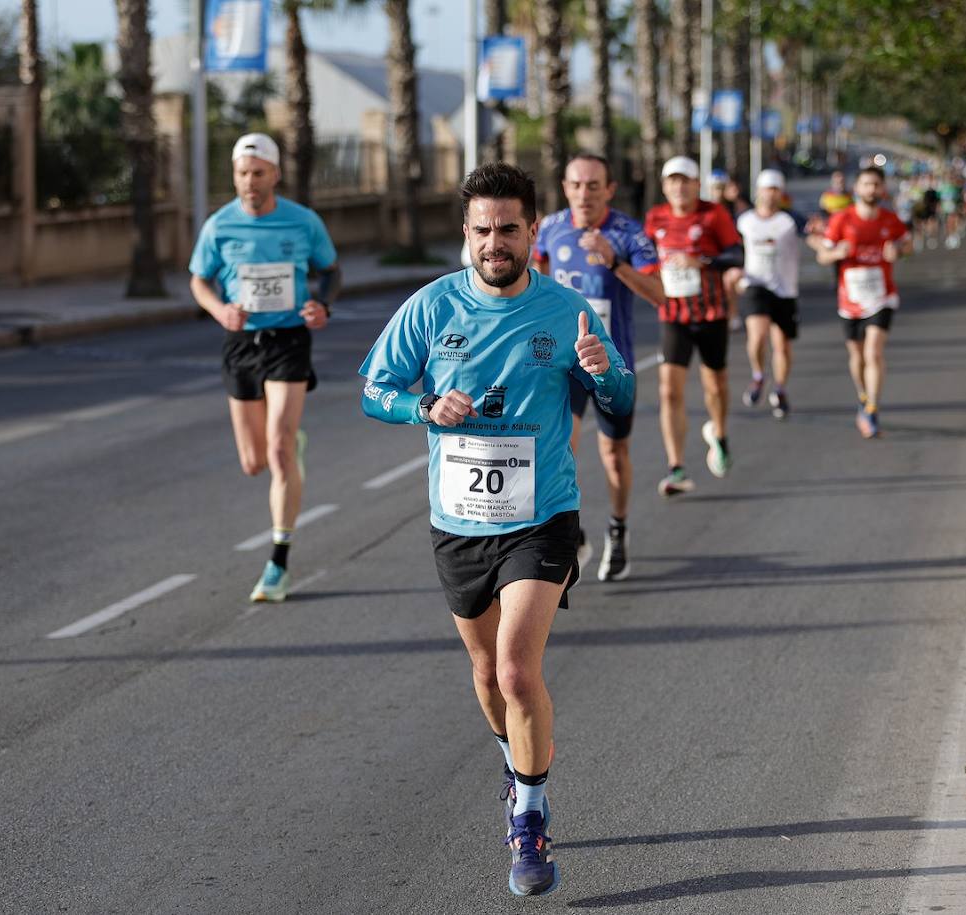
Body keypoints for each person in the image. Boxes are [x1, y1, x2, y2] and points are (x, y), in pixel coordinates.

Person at [359, 162, 633, 897]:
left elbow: (621, 397)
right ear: (467, 233)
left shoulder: (567, 308)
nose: (494, 242)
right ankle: (517, 769)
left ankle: (532, 816)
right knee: (485, 674)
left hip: (542, 517)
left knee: (516, 668)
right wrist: (422, 408)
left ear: (533, 230)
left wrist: (604, 372)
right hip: (459, 521)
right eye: (481, 229)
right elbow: (375, 389)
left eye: (508, 228)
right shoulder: (430, 306)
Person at [188, 133, 340, 602]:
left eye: (257, 173)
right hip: (241, 344)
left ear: (275, 174)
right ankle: (288, 439)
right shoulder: (220, 226)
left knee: (276, 453)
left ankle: (278, 563)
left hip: (289, 340)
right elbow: (199, 280)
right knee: (253, 462)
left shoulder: (302, 221)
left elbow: (331, 271)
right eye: (241, 174)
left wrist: (322, 306)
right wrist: (219, 311)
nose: (249, 183)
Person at [534, 153, 664, 581]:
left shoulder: (628, 233)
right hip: (563, 363)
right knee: (559, 449)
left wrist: (612, 261)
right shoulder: (551, 228)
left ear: (609, 189)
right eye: (576, 185)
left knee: (613, 453)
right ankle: (573, 532)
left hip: (611, 364)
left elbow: (660, 295)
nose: (584, 194)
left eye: (593, 186)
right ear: (565, 187)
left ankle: (618, 528)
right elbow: (535, 281)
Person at [644, 156, 743, 494]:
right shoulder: (655, 218)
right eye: (672, 181)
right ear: (664, 186)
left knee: (715, 386)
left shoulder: (713, 214)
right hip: (673, 316)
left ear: (696, 184)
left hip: (711, 313)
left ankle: (719, 431)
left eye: (685, 180)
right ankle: (676, 467)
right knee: (669, 391)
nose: (679, 187)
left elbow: (736, 254)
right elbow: (642, 257)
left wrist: (700, 260)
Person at [808, 166, 912, 439]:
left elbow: (908, 244)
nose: (871, 190)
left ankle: (872, 408)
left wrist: (898, 251)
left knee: (873, 352)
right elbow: (823, 255)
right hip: (850, 298)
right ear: (857, 189)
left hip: (882, 296)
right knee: (856, 356)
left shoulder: (890, 220)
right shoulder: (842, 219)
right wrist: (836, 253)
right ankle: (863, 395)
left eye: (876, 185)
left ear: (883, 189)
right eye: (866, 184)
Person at [726, 169, 802, 418]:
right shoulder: (744, 220)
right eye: (766, 189)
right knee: (757, 336)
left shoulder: (790, 220)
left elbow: (815, 235)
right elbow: (732, 249)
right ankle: (758, 375)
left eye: (775, 189)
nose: (770, 194)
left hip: (785, 289)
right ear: (758, 191)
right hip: (754, 285)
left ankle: (779, 389)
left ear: (781, 194)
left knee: (781, 345)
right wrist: (734, 271)